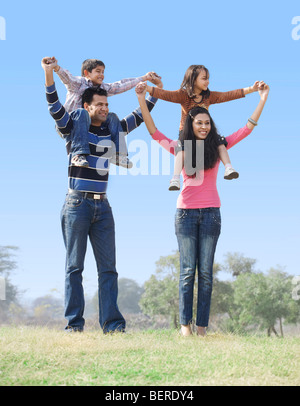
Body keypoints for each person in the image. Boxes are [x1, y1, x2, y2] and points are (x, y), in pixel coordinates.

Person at [135, 80, 269, 336]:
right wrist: (142, 99)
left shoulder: (218, 147)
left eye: (207, 123)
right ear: (190, 124)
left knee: (205, 274)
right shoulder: (181, 148)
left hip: (211, 214)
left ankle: (202, 328)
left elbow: (246, 129)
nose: (204, 127)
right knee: (187, 272)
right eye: (199, 123)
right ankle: (185, 327)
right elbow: (153, 132)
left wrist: (261, 99)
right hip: (185, 214)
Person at [42, 60, 160, 333]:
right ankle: (74, 325)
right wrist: (49, 73)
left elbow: (138, 117)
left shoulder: (110, 130)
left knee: (108, 269)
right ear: (87, 107)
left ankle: (113, 325)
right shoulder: (73, 128)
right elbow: (54, 106)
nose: (105, 109)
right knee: (74, 268)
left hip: (103, 208)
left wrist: (154, 94)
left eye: (107, 105)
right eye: (100, 105)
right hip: (77, 205)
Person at [146, 65, 260, 190]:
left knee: (220, 143)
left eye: (208, 78)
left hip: (204, 131)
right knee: (182, 149)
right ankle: (175, 179)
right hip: (186, 133)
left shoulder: (208, 96)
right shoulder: (183, 95)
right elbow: (165, 94)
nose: (208, 81)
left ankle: (228, 168)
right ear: (193, 79)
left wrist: (252, 89)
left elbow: (227, 95)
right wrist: (146, 88)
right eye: (204, 78)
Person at [42, 56, 161, 168]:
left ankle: (119, 155)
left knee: (112, 116)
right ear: (86, 73)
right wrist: (56, 68)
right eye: (98, 71)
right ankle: (78, 154)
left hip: (87, 125)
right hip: (70, 123)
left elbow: (120, 85)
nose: (102, 75)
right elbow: (67, 78)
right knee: (82, 113)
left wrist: (144, 78)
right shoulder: (79, 84)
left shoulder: (102, 88)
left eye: (103, 72)